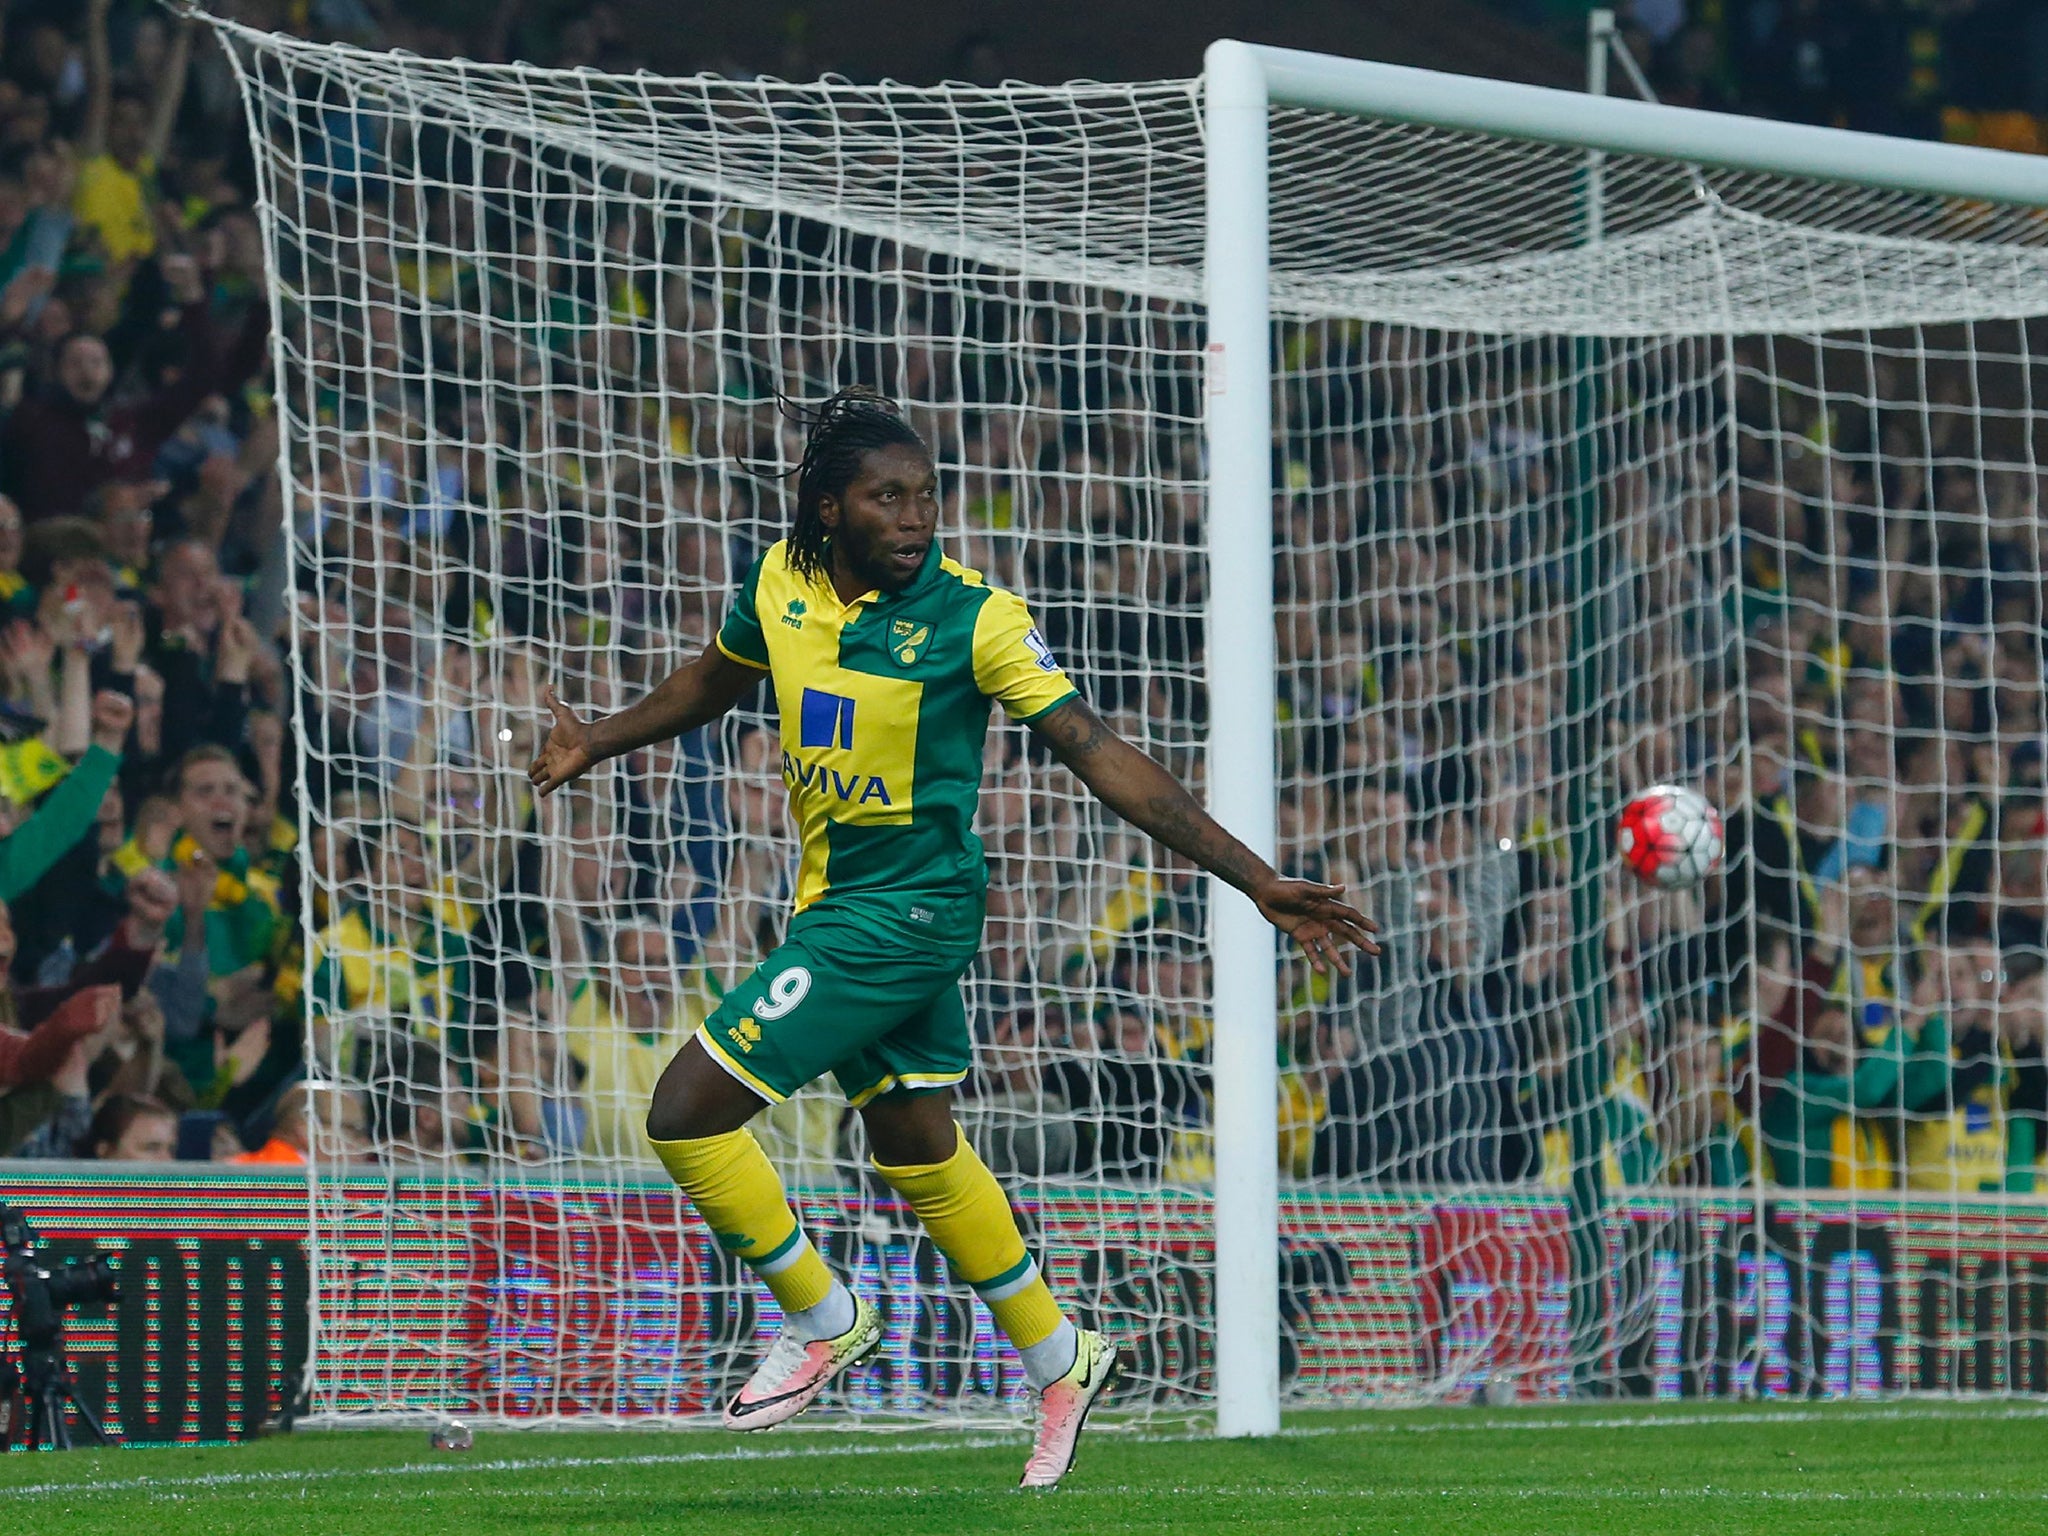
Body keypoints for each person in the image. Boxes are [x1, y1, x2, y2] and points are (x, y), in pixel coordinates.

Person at [529, 386, 1376, 1488]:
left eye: (926, 498)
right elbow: (712, 681)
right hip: (835, 903)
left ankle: (824, 1317)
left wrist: (1256, 879)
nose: (917, 518)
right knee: (916, 1146)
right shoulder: (780, 583)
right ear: (827, 508)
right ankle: (1060, 1354)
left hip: (903, 918)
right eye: (890, 498)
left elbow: (1098, 752)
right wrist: (596, 738)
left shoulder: (975, 618)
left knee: (686, 1111)